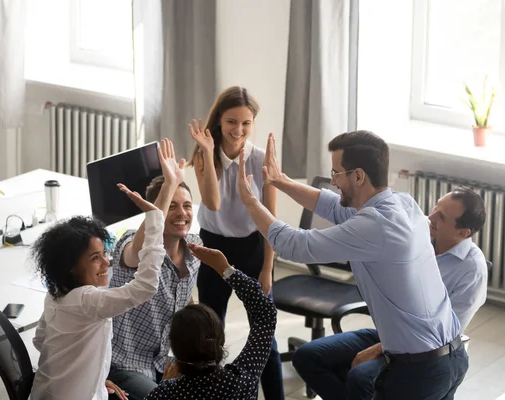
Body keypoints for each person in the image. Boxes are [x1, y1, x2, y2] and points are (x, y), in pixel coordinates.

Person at [236, 130, 469, 399]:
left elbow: (293, 245)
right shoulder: (403, 204)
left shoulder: (377, 226)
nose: (333, 180)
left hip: (421, 369)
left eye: (336, 173)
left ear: (358, 175)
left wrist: (251, 202)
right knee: (312, 358)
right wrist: (281, 181)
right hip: (450, 356)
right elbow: (336, 207)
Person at [292, 187, 488, 400]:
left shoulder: (472, 269)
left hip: (422, 352)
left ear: (463, 232)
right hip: (389, 334)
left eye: (441, 217)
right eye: (435, 207)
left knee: (360, 376)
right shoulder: (417, 234)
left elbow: (442, 336)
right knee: (307, 357)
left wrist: (376, 350)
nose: (429, 217)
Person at [187, 86, 284, 399]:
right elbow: (212, 204)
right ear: (219, 120)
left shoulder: (259, 160)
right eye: (231, 122)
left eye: (246, 123)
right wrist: (205, 150)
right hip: (213, 245)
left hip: (251, 248)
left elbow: (269, 219)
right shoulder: (205, 154)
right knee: (208, 333)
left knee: (264, 334)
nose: (238, 130)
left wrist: (268, 268)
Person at [30, 188, 165, 399]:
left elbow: (40, 340)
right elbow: (145, 287)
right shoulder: (88, 300)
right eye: (95, 258)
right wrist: (155, 219)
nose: (106, 262)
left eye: (105, 253)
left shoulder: (56, 292)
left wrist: (95, 376)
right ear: (72, 266)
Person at [107, 138, 202, 399]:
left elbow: (183, 299)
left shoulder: (194, 248)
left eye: (186, 205)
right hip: (123, 363)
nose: (181, 213)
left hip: (163, 361)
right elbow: (139, 252)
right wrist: (169, 184)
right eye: (171, 206)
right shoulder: (130, 244)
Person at [145, 242, 277, 400]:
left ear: (174, 348)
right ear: (221, 339)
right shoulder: (241, 380)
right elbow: (266, 313)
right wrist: (226, 269)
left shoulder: (165, 394)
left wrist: (166, 384)